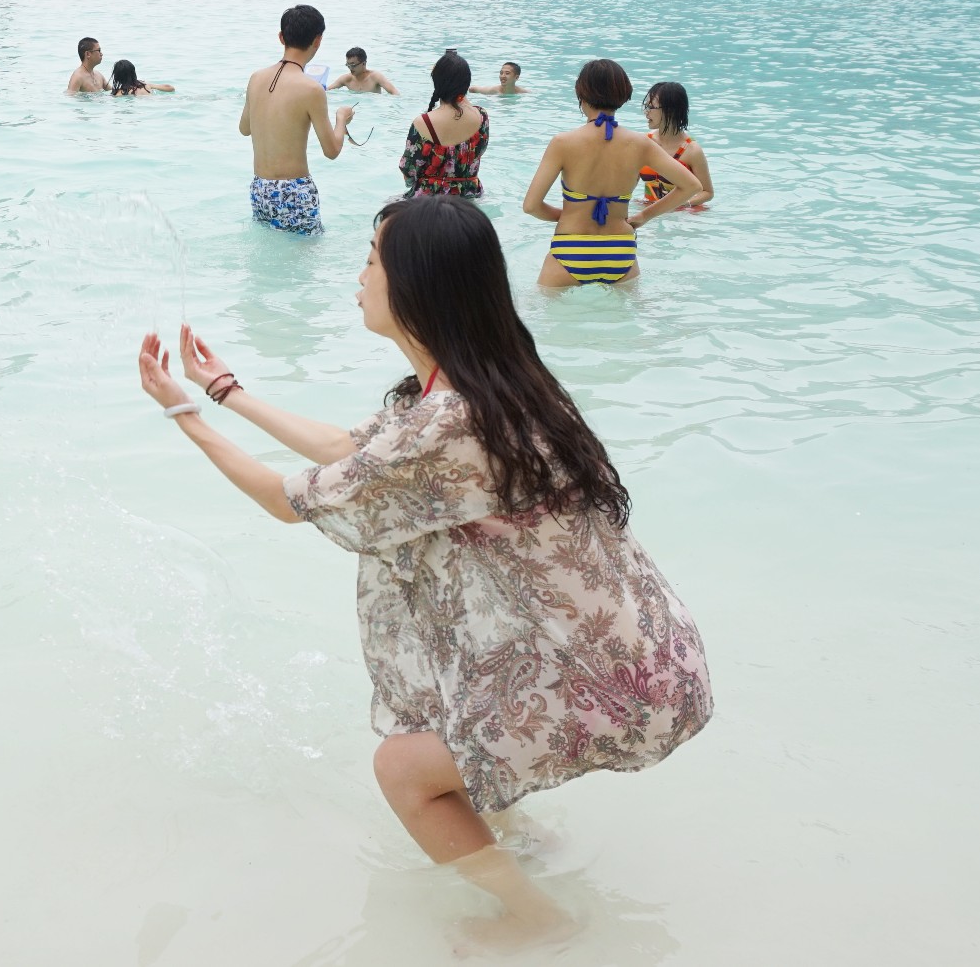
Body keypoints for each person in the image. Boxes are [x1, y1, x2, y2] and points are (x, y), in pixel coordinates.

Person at [132, 196, 712, 950]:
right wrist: (224, 391)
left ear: (416, 284)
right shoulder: (489, 385)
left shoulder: (450, 421)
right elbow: (347, 448)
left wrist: (185, 416)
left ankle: (540, 919)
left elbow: (286, 500)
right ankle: (523, 844)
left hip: (608, 680)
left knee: (404, 769)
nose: (361, 273)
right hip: (647, 655)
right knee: (452, 723)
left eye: (373, 258)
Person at [521, 59, 700, 286]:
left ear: (581, 95)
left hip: (571, 247)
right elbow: (691, 186)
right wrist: (642, 217)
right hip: (621, 251)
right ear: (623, 95)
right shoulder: (640, 143)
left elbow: (531, 206)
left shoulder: (563, 142)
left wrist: (567, 214)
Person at [239, 4, 355, 235]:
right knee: (305, 261)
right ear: (318, 40)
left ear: (281, 38)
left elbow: (244, 129)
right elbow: (331, 151)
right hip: (295, 190)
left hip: (260, 188)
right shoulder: (311, 89)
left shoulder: (256, 78)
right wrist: (341, 119)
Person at [399, 49, 487, 198]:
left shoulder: (423, 122)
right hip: (470, 193)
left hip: (430, 199)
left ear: (436, 82)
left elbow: (409, 169)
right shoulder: (481, 116)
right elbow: (479, 152)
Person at [638, 81, 713, 212]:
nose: (646, 112)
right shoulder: (645, 143)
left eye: (651, 107)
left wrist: (683, 204)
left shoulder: (691, 150)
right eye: (646, 106)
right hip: (649, 209)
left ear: (670, 110)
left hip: (683, 215)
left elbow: (707, 192)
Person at [329, 47, 399, 94]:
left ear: (363, 63)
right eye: (348, 65)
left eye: (353, 65)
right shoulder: (346, 79)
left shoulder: (375, 77)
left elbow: (395, 93)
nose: (350, 68)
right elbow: (326, 91)